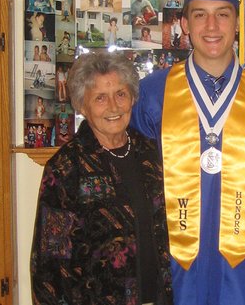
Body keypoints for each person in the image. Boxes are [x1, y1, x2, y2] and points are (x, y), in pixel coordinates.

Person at [130, 0, 245, 305]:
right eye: (200, 14)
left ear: (237, 21)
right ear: (184, 23)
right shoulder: (153, 93)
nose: (211, 25)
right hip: (175, 259)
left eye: (223, 14)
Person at [30, 53, 173, 305]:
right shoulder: (66, 167)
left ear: (132, 98)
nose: (114, 107)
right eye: (100, 98)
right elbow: (49, 266)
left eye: (120, 94)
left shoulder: (152, 155)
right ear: (82, 106)